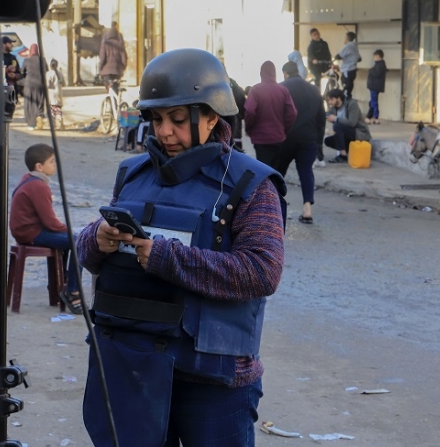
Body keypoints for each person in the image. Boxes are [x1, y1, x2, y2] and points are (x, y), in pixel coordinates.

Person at [76, 48, 286, 447]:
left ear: (211, 116)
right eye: (156, 119)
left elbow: (262, 271)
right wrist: (96, 240)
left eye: (177, 119)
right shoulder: (132, 174)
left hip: (212, 380)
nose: (164, 132)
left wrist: (165, 257)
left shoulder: (251, 185)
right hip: (131, 365)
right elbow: (89, 257)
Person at [9, 143, 82, 313]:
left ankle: (58, 285)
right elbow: (50, 222)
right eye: (51, 162)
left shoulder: (28, 179)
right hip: (31, 233)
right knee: (79, 241)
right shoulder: (38, 186)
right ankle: (73, 291)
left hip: (25, 230)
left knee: (70, 239)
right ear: (39, 166)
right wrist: (69, 230)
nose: (54, 165)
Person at [277, 61, 325, 224]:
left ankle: (274, 205)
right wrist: (319, 144)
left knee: (279, 172)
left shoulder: (282, 87)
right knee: (306, 171)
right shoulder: (313, 90)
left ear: (285, 73)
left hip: (286, 138)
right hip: (308, 138)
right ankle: (307, 209)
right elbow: (321, 119)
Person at [244, 60, 296, 170]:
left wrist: (249, 129)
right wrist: (284, 129)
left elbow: (249, 111)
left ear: (261, 73)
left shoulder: (256, 90)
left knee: (263, 171)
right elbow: (292, 113)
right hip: (278, 137)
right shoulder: (282, 90)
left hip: (261, 138)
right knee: (275, 170)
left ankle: (266, 188)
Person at [324, 88, 371, 163]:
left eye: (331, 99)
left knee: (337, 126)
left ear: (338, 98)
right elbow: (327, 114)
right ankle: (350, 151)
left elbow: (352, 123)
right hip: (348, 135)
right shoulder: (334, 108)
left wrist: (336, 119)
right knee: (328, 141)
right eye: (329, 100)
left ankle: (343, 155)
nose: (329, 102)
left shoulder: (352, 104)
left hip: (359, 133)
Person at [20, 43, 46, 129]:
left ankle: (31, 124)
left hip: (29, 84)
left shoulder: (27, 60)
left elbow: (22, 72)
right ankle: (39, 116)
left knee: (30, 103)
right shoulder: (43, 60)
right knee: (39, 101)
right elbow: (46, 71)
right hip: (40, 84)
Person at [98, 21, 127, 85]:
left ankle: (109, 92)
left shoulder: (105, 44)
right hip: (117, 70)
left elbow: (102, 59)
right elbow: (124, 59)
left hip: (106, 72)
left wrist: (100, 69)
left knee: (108, 88)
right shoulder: (120, 44)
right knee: (115, 88)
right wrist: (122, 68)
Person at [334, 31, 361, 100]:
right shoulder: (355, 46)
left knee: (346, 90)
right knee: (349, 88)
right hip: (353, 70)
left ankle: (346, 105)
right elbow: (359, 59)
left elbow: (338, 56)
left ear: (347, 38)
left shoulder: (348, 46)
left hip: (347, 70)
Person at [365, 49, 387, 125]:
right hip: (375, 86)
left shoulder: (379, 64)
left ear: (378, 56)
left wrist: (370, 70)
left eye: (375, 56)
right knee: (372, 102)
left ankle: (376, 117)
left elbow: (376, 74)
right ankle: (368, 117)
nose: (374, 58)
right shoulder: (380, 64)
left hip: (374, 86)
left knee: (373, 102)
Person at [46, 58, 65, 129]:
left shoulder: (48, 73)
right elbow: (63, 84)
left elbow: (47, 84)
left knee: (52, 109)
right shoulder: (60, 73)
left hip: (51, 93)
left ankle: (53, 125)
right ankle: (60, 119)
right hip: (59, 93)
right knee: (58, 107)